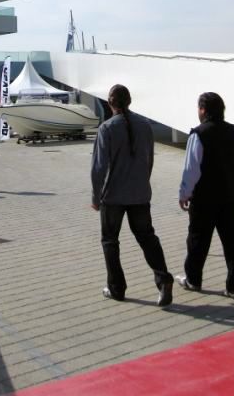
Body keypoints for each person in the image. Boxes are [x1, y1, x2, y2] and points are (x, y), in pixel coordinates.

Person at [91, 84, 174, 307]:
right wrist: (143, 181)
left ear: (110, 103)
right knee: (147, 236)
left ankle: (116, 288)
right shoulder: (145, 125)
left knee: (110, 240)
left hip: (113, 196)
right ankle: (163, 278)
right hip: (139, 193)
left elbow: (99, 167)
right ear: (129, 101)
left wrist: (95, 196)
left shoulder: (106, 128)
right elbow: (149, 160)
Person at [177, 92, 234, 300]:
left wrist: (184, 193)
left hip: (204, 197)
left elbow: (191, 168)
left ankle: (193, 279)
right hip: (229, 195)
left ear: (203, 110)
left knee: (198, 240)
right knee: (232, 243)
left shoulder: (199, 134)